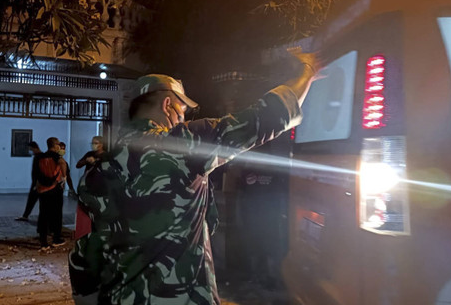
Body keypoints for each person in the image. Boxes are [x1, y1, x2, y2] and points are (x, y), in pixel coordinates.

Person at [69, 50, 319, 304]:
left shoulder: (96, 168)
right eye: (183, 110)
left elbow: (84, 252)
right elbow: (264, 118)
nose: (183, 119)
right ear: (168, 105)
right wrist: (306, 72)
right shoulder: (181, 144)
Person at [36, 137, 68, 249]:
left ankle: (43, 241)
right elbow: (62, 163)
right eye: (58, 144)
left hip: (43, 189)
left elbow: (37, 173)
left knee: (43, 214)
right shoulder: (56, 156)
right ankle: (56, 238)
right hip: (54, 189)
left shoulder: (41, 157)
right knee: (56, 214)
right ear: (54, 145)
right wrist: (64, 177)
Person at [74, 136, 107, 239]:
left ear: (101, 144)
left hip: (100, 188)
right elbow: (78, 165)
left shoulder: (106, 156)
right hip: (88, 187)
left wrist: (96, 163)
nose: (93, 145)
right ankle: (87, 233)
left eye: (95, 143)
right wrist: (86, 161)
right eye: (92, 143)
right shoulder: (89, 154)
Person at [16, 141, 43, 222]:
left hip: (38, 183)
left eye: (30, 149)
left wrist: (37, 183)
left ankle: (27, 216)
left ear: (35, 148)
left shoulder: (40, 157)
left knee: (35, 200)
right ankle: (26, 215)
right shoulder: (38, 156)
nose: (30, 151)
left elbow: (40, 171)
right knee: (32, 200)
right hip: (36, 182)